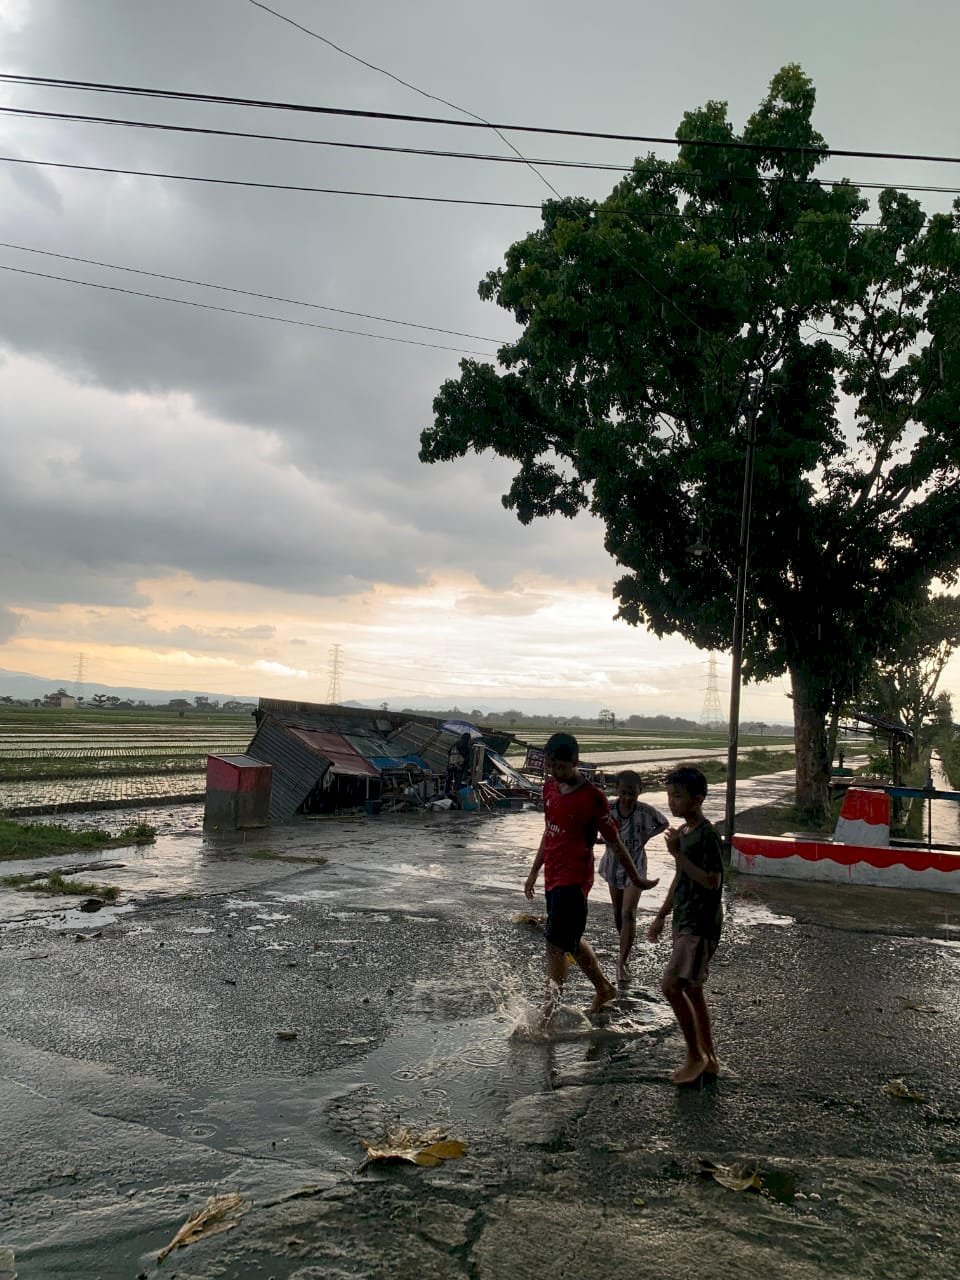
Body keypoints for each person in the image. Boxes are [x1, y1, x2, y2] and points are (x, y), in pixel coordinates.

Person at [524, 732, 659, 1027]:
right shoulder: (548, 788)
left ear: (575, 761)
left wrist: (636, 877)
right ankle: (604, 988)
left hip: (574, 879)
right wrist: (535, 870)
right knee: (569, 941)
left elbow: (615, 842)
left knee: (554, 944)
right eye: (551, 767)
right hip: (552, 875)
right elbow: (549, 833)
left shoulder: (593, 798)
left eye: (561, 767)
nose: (556, 773)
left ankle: (549, 1011)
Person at [647, 766, 724, 1085]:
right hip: (684, 920)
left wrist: (678, 855)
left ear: (698, 799)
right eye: (669, 796)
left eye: (677, 796)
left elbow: (711, 881)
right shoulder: (687, 833)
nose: (672, 803)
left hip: (700, 924)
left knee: (671, 985)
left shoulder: (706, 834)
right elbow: (680, 879)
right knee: (692, 988)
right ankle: (709, 1057)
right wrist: (663, 914)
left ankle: (695, 1056)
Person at [598, 770, 669, 983]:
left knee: (629, 913)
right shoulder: (608, 808)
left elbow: (664, 823)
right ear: (617, 791)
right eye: (624, 793)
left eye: (633, 794)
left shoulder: (645, 812)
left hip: (636, 866)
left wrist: (647, 835)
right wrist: (601, 839)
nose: (628, 798)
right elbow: (590, 822)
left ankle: (621, 962)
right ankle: (625, 943)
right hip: (612, 865)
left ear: (640, 791)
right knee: (619, 915)